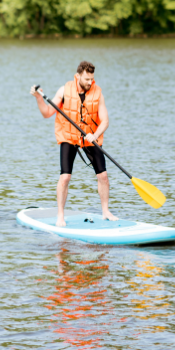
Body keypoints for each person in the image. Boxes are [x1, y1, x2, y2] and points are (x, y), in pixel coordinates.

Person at [31, 61, 118, 227]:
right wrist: (38, 98)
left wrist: (96, 135)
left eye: (92, 79)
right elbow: (47, 113)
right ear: (78, 76)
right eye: (86, 79)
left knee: (103, 176)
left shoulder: (98, 93)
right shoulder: (64, 91)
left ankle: (105, 212)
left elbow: (105, 121)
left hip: (90, 137)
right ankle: (60, 216)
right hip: (69, 136)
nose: (90, 82)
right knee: (65, 177)